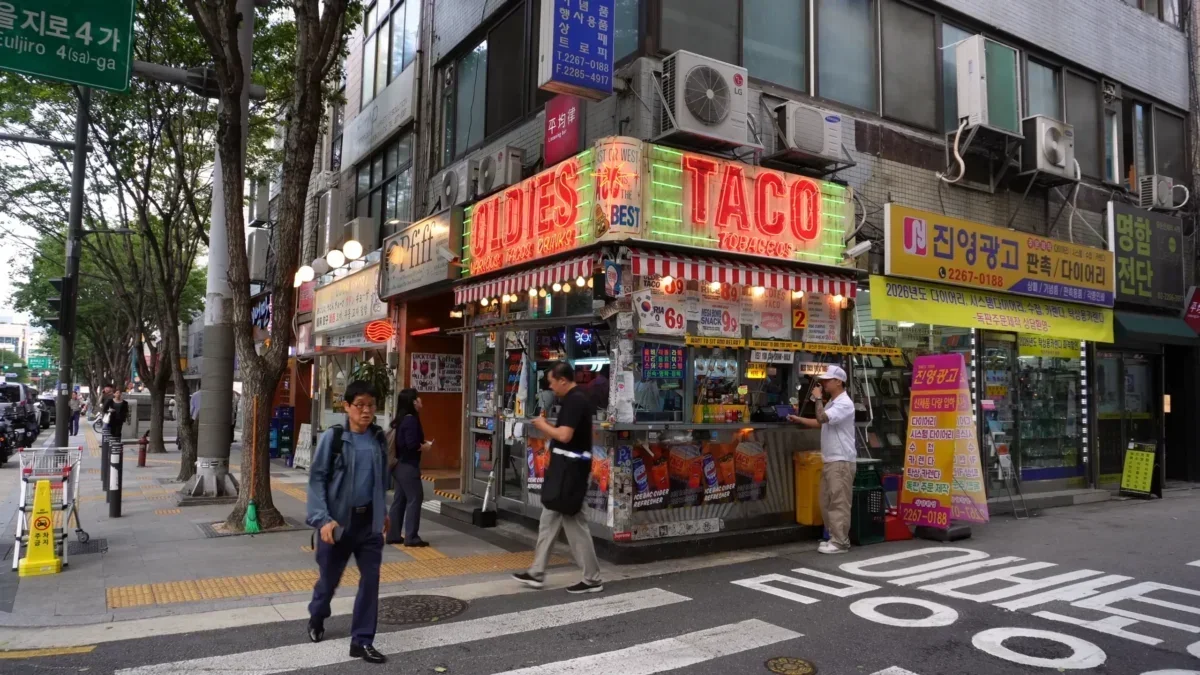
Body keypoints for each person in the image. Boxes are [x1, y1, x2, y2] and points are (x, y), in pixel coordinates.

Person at [305, 381, 389, 664]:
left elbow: (381, 481)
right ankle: (317, 615)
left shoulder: (378, 438)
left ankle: (362, 641)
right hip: (338, 524)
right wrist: (323, 520)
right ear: (347, 407)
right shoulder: (335, 438)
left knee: (371, 581)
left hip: (369, 524)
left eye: (371, 405)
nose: (366, 411)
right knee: (329, 581)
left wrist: (383, 513)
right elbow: (317, 479)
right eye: (360, 405)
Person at [513, 361, 603, 594]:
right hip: (564, 470)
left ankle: (592, 578)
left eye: (552, 383)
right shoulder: (571, 399)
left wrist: (543, 425)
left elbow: (564, 435)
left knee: (575, 524)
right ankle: (536, 572)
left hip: (571, 473)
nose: (551, 387)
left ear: (563, 380)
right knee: (548, 520)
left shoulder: (576, 400)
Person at [787, 365, 857, 555]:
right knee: (826, 501)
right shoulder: (833, 402)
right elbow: (821, 422)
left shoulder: (844, 403)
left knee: (838, 502)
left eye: (827, 380)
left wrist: (817, 398)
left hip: (841, 460)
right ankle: (834, 537)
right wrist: (799, 419)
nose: (824, 384)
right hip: (831, 459)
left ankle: (841, 542)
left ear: (839, 382)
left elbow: (822, 418)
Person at [387, 388, 432, 547]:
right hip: (408, 466)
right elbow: (411, 445)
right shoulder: (411, 420)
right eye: (418, 398)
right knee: (415, 498)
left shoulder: (401, 419)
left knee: (400, 499)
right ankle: (411, 537)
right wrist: (425, 446)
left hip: (398, 465)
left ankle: (393, 534)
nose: (421, 401)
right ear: (413, 402)